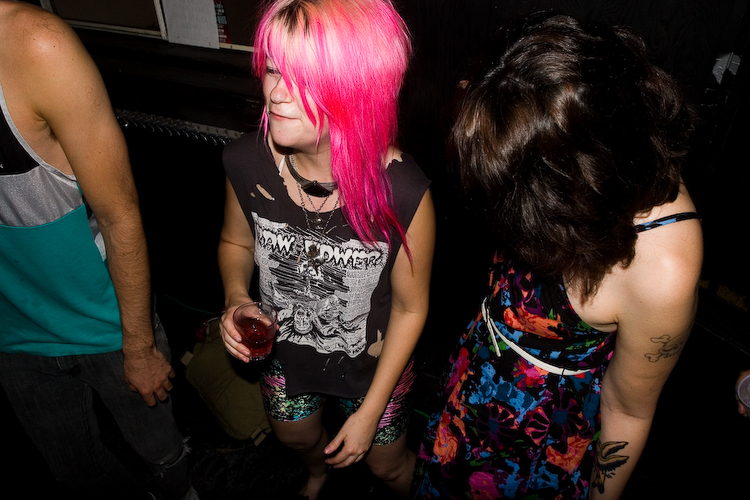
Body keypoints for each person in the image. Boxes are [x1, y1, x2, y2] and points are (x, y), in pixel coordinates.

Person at [413, 12, 703, 500]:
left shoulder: (663, 271)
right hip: (478, 371)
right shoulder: (549, 123)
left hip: (538, 432)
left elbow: (628, 411)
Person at [218, 0, 434, 498]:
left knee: (386, 467)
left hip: (373, 366)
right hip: (282, 351)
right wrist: (236, 297)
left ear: (360, 89)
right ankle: (318, 473)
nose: (276, 92)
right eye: (274, 68)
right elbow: (235, 240)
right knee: (295, 437)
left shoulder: (402, 191)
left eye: (306, 78)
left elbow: (410, 308)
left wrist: (371, 413)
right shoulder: (246, 161)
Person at [0, 2, 196, 499]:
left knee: (162, 456)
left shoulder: (34, 42)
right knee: (75, 472)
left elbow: (118, 214)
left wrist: (140, 347)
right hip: (14, 336)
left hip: (107, 324)